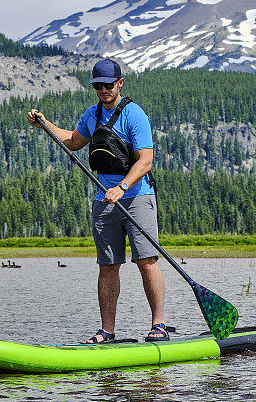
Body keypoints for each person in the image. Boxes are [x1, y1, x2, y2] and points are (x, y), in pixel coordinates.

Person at [26, 58, 168, 344]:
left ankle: (159, 325)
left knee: (146, 260)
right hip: (103, 199)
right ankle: (107, 331)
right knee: (107, 265)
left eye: (107, 85)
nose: (103, 90)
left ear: (120, 84)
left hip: (137, 195)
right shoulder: (91, 114)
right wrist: (44, 125)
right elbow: (74, 141)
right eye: (97, 85)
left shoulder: (134, 114)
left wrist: (123, 186)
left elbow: (146, 160)